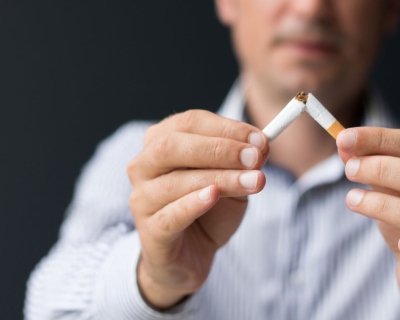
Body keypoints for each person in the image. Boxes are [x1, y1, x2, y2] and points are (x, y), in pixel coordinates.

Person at [25, 0, 400, 319]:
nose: (310, 7)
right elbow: (49, 309)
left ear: (390, 8)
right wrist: (154, 280)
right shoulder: (137, 159)